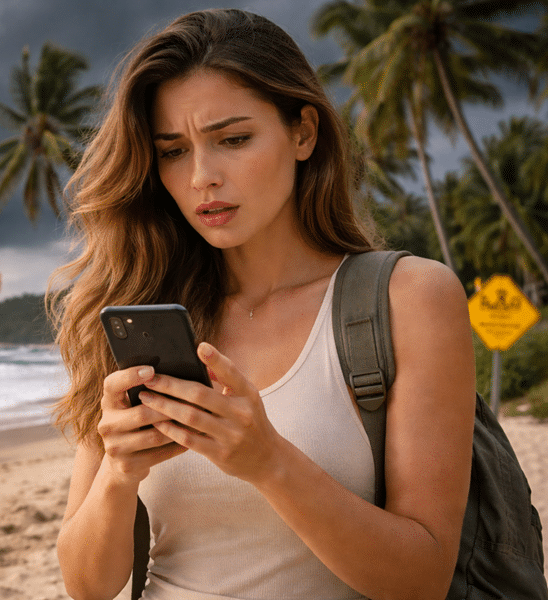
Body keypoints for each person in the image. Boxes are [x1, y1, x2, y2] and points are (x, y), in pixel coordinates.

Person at [49, 9, 475, 600]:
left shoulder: (409, 298)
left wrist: (269, 462)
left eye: (233, 139)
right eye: (173, 151)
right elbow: (86, 586)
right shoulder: (139, 313)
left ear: (303, 132)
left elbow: (423, 578)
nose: (203, 177)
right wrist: (119, 474)